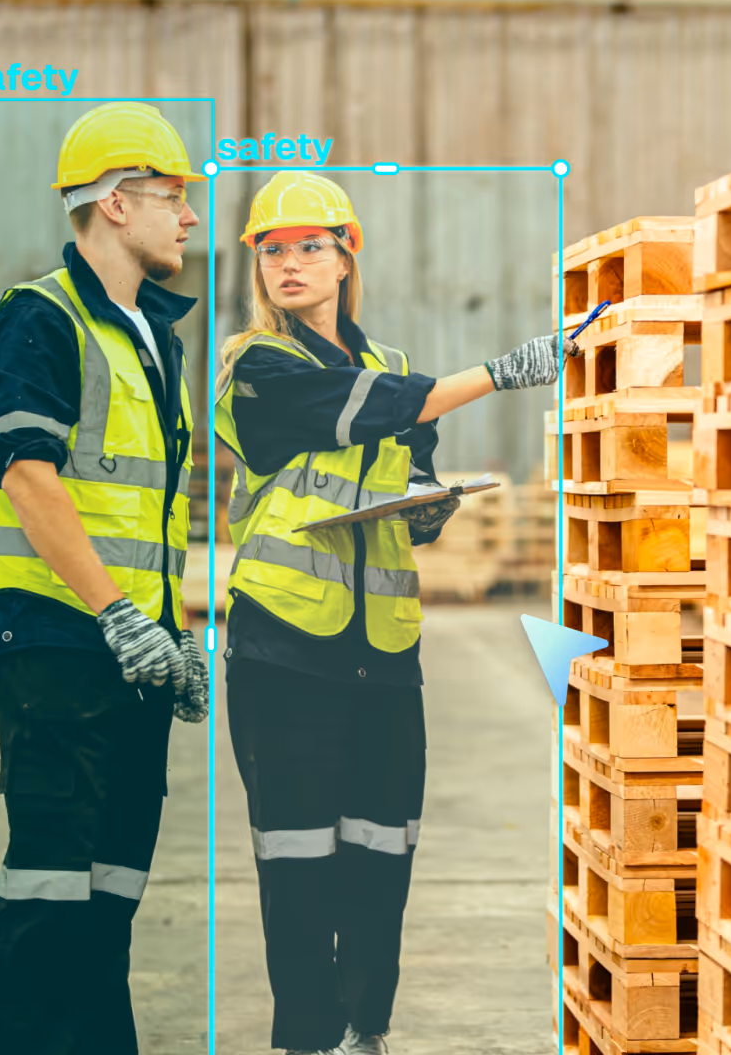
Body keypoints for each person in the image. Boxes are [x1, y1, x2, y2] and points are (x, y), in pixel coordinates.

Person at [216, 171, 574, 1055]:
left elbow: (410, 470)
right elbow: (371, 412)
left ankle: (366, 1030)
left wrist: (427, 508)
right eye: (272, 250)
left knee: (383, 851)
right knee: (299, 859)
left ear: (346, 258)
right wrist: (503, 373)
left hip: (381, 652)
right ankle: (309, 1038)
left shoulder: (396, 369)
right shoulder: (255, 366)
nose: (289, 263)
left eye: (310, 246)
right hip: (282, 649)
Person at [0, 101, 211, 1054]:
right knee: (51, 885)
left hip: (130, 645)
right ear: (114, 203)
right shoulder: (38, 318)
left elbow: (149, 513)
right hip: (58, 637)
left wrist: (172, 629)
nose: (189, 215)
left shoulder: (155, 338)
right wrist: (118, 614)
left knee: (112, 891)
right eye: (172, 195)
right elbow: (27, 475)